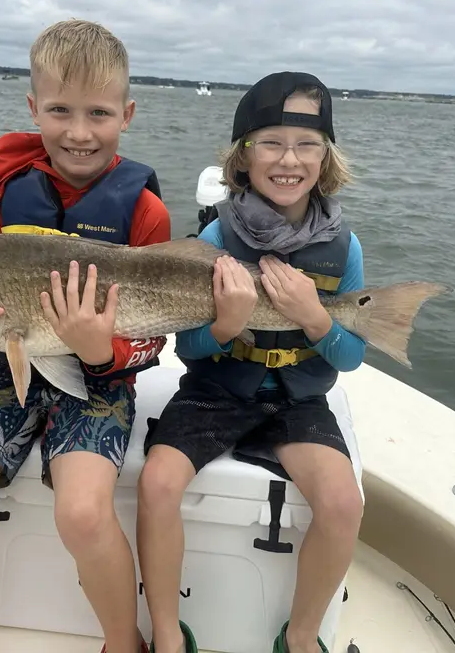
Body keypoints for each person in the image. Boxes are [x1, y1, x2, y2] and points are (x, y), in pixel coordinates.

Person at [0, 19, 170, 653]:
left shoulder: (145, 212)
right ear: (33, 108)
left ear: (127, 114)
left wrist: (101, 349)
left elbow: (155, 341)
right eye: (60, 110)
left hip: (102, 378)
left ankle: (123, 641)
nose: (79, 131)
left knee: (82, 512)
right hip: (10, 367)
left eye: (98, 112)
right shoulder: (6, 193)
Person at [136, 71, 364, 653]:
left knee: (343, 502)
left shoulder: (346, 247)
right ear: (243, 156)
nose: (289, 159)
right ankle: (166, 632)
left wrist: (316, 318)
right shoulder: (213, 240)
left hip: (299, 398)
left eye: (307, 144)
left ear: (326, 156)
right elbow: (186, 349)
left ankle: (304, 635)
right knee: (158, 482)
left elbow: (352, 355)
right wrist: (226, 325)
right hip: (216, 389)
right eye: (271, 142)